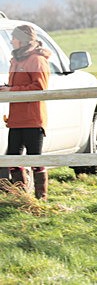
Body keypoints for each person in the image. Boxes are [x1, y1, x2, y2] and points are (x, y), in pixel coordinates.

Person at [0, 25, 51, 200]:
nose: (11, 41)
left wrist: (12, 90)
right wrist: (7, 88)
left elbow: (40, 87)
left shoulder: (36, 60)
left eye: (14, 38)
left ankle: (40, 200)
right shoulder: (16, 60)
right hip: (15, 119)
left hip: (32, 118)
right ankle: (22, 198)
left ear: (22, 40)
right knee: (13, 161)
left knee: (35, 160)